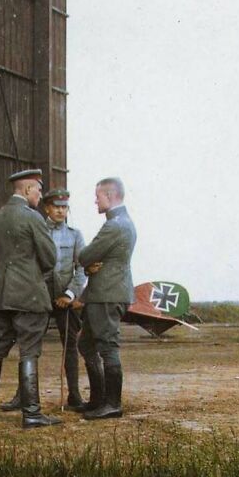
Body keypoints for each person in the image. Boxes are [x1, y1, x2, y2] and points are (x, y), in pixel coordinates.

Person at [0, 168, 60, 429]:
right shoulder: (33, 218)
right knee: (29, 351)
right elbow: (50, 259)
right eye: (37, 190)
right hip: (28, 294)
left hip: (0, 294)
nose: (39, 195)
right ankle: (32, 414)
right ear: (27, 190)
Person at [1, 187, 87, 411]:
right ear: (47, 208)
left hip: (65, 299)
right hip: (38, 296)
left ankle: (75, 396)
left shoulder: (75, 235)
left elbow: (81, 269)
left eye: (64, 207)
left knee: (70, 346)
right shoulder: (36, 229)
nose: (60, 211)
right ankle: (23, 396)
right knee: (29, 346)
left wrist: (69, 295)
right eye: (56, 207)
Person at [76, 177, 136, 420]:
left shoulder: (114, 225)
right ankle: (99, 399)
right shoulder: (122, 222)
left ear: (110, 197)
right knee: (86, 344)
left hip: (107, 295)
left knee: (107, 346)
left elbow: (85, 255)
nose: (95, 200)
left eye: (98, 196)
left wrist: (88, 263)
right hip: (105, 293)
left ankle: (112, 403)